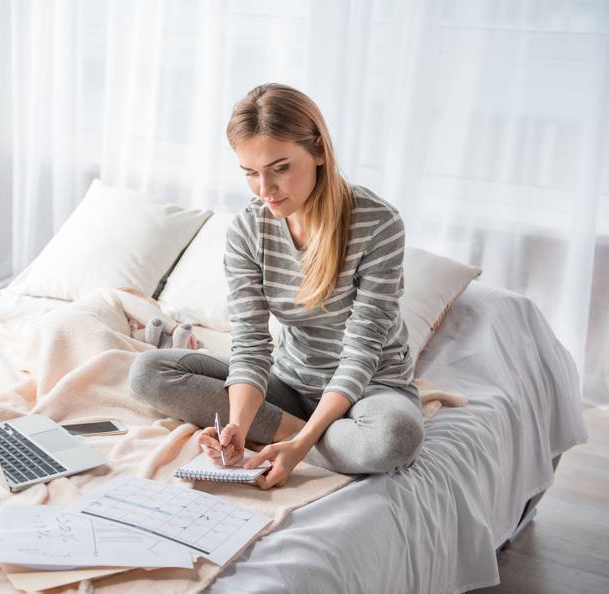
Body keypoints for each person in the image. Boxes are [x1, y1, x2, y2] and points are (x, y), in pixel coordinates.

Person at [128, 83, 424, 489]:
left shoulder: (378, 224)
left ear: (319, 150)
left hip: (370, 387)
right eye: (251, 173)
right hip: (289, 383)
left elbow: (361, 352)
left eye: (280, 168)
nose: (265, 190)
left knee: (395, 439)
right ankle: (307, 434)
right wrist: (236, 426)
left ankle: (297, 434)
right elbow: (250, 345)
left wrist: (301, 445)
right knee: (148, 371)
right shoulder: (249, 230)